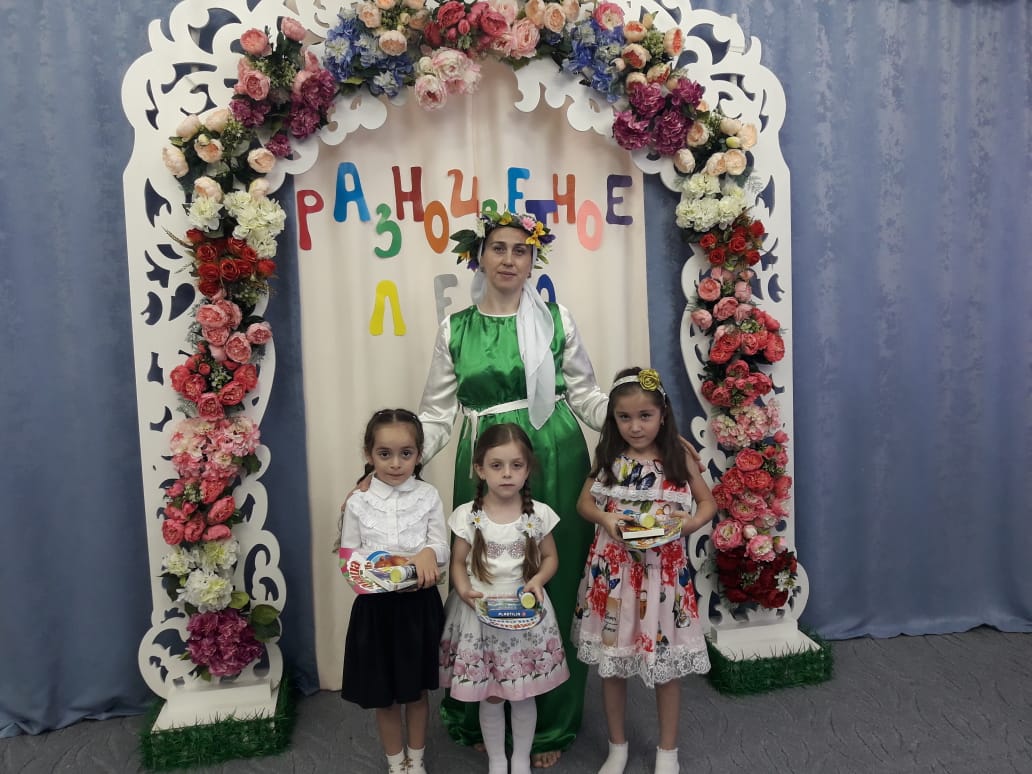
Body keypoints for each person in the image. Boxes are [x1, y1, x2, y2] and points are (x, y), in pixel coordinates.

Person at [418, 202, 609, 767]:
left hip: (554, 458)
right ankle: (481, 704)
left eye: (520, 251)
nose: (508, 259)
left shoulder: (556, 320)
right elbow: (436, 415)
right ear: (479, 257)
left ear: (532, 261)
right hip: (485, 458)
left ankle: (549, 723)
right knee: (484, 578)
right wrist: (396, 464)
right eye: (497, 248)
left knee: (552, 580)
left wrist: (638, 425)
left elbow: (586, 396)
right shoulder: (456, 328)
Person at [571, 368, 716, 774]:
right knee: (612, 665)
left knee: (665, 667)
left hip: (662, 576)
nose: (635, 426)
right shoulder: (608, 459)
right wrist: (606, 518)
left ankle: (667, 752)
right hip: (615, 576)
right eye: (625, 417)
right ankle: (617, 747)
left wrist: (687, 524)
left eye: (645, 416)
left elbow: (707, 504)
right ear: (613, 419)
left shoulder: (678, 458)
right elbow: (584, 504)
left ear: (663, 414)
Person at [438, 423, 569, 774]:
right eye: (497, 465)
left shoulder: (538, 514)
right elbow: (458, 562)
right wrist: (463, 589)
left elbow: (551, 558)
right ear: (480, 469)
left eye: (516, 465)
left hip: (525, 618)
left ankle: (520, 759)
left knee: (524, 694)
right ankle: (497, 759)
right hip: (480, 615)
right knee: (492, 694)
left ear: (528, 469)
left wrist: (538, 580)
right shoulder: (468, 515)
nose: (507, 474)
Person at [339, 409, 449, 774]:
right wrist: (365, 575)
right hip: (376, 611)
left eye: (406, 453)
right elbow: (349, 554)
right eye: (384, 453)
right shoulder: (358, 501)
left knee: (417, 692)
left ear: (419, 454)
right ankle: (395, 762)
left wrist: (429, 553)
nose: (396, 463)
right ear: (369, 454)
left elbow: (441, 545)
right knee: (384, 697)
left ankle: (416, 761)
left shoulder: (428, 495)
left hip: (418, 607)